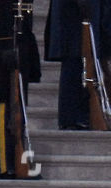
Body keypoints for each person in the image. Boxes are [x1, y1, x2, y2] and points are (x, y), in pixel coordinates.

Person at [0, 0, 41, 178]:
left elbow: (26, 23)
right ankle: (3, 165)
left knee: (20, 114)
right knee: (3, 113)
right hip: (2, 56)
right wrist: (5, 47)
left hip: (21, 51)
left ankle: (20, 161)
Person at [44, 0, 103, 130]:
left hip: (77, 16)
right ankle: (71, 117)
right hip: (74, 18)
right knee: (73, 67)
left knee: (78, 66)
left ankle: (76, 115)